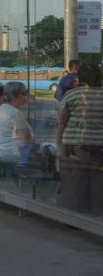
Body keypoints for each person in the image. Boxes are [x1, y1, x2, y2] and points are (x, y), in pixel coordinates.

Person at [57, 61, 103, 213]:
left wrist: (60, 146)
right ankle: (96, 213)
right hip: (100, 146)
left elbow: (62, 123)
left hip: (78, 145)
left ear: (80, 76)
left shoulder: (72, 94)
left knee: (78, 181)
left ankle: (78, 215)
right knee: (98, 182)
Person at [0, 81, 35, 165]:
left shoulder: (1, 109)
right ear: (14, 96)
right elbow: (26, 139)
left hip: (1, 152)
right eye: (24, 93)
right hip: (15, 155)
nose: (26, 96)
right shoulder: (15, 113)